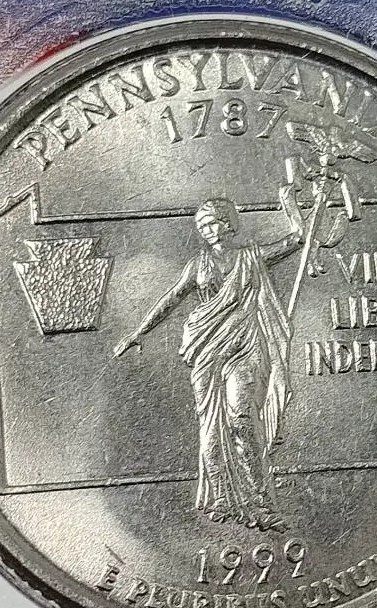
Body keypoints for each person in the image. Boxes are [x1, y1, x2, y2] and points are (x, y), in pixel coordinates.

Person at [114, 187, 306, 531]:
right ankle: (222, 497)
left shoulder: (251, 257)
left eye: (213, 222)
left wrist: (290, 204)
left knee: (241, 418)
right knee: (211, 426)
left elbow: (296, 239)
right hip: (206, 349)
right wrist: (138, 333)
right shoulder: (198, 265)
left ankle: (262, 501)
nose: (208, 230)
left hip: (245, 345)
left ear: (229, 223)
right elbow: (172, 298)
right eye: (202, 226)